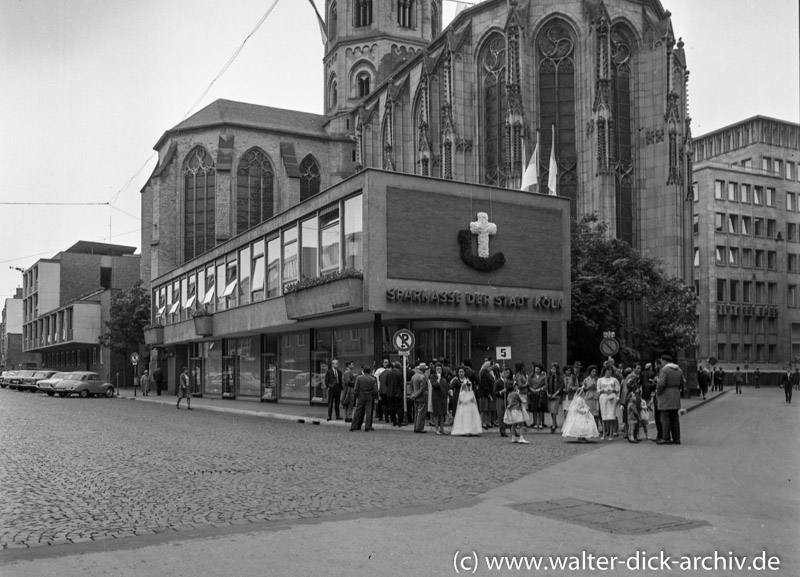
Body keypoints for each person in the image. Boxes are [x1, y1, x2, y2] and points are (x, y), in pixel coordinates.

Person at [656, 354, 683, 445]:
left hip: (666, 396)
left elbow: (661, 384)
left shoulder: (664, 370)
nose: (661, 362)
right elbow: (682, 382)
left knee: (665, 417)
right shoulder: (679, 370)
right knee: (674, 417)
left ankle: (666, 437)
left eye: (662, 361)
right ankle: (676, 438)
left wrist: (658, 392)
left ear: (664, 361)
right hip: (675, 395)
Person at [450, 366, 483, 436]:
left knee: (471, 415)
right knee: (463, 416)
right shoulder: (456, 380)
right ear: (458, 373)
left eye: (462, 372)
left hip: (469, 397)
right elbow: (451, 388)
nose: (461, 373)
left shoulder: (468, 380)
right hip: (460, 399)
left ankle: (473, 430)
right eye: (460, 372)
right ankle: (464, 430)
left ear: (464, 373)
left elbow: (471, 389)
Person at [349, 366, 378, 431]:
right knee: (368, 412)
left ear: (363, 371)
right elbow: (375, 390)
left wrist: (357, 395)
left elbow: (356, 388)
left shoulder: (359, 378)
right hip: (369, 396)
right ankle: (367, 426)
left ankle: (353, 426)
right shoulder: (372, 379)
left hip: (361, 395)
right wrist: (372, 395)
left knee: (357, 411)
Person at [597, 364, 620, 440]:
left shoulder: (614, 380)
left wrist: (613, 390)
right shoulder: (600, 380)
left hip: (611, 397)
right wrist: (603, 390)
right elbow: (598, 390)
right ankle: (604, 433)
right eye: (608, 370)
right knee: (604, 415)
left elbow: (617, 389)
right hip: (603, 397)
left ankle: (611, 433)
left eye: (610, 371)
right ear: (605, 371)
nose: (609, 372)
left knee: (611, 416)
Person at [410, 363, 430, 433]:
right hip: (422, 397)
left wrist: (413, 394)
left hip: (415, 397)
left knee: (416, 412)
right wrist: (417, 395)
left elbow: (411, 386)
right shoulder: (423, 377)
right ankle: (419, 428)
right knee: (421, 413)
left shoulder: (414, 376)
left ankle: (416, 427)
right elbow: (422, 388)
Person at [430, 364, 449, 435]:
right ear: (435, 370)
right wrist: (438, 379)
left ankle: (442, 429)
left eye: (440, 369)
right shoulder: (433, 377)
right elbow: (435, 385)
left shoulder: (444, 379)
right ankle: (436, 429)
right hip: (436, 398)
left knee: (442, 414)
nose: (439, 370)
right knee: (437, 414)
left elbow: (446, 388)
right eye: (437, 369)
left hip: (443, 398)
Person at [493, 367, 513, 437]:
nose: (506, 374)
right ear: (501, 373)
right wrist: (501, 392)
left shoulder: (509, 381)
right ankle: (502, 430)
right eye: (504, 372)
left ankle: (512, 429)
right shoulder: (498, 382)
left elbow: (511, 388)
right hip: (500, 399)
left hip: (508, 399)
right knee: (501, 415)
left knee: (510, 415)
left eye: (507, 373)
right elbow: (494, 393)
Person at [545, 363, 563, 433]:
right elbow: (546, 386)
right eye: (552, 369)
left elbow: (561, 387)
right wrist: (548, 393)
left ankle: (553, 425)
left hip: (556, 395)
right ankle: (554, 423)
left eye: (554, 369)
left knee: (554, 410)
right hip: (550, 395)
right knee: (551, 411)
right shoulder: (548, 377)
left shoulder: (559, 378)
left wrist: (555, 394)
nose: (553, 370)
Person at [529, 364, 548, 431]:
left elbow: (546, 385)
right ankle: (535, 422)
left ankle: (540, 423)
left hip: (541, 394)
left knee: (540, 409)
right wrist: (532, 390)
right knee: (534, 409)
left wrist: (539, 389)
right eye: (536, 369)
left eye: (538, 369)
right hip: (533, 393)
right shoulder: (531, 377)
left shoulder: (544, 376)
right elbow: (529, 385)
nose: (537, 370)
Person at [477, 361, 495, 429]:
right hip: (484, 393)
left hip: (489, 392)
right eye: (491, 366)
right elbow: (483, 384)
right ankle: (483, 422)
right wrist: (488, 393)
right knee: (484, 409)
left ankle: (488, 421)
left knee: (489, 408)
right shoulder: (483, 373)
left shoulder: (488, 373)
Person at [582, 365, 600, 430]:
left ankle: (596, 428)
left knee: (596, 414)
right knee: (589, 413)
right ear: (590, 372)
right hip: (588, 397)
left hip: (595, 398)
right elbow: (583, 389)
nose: (594, 373)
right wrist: (588, 387)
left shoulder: (597, 380)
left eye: (595, 372)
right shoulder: (586, 380)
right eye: (593, 371)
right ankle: (588, 428)